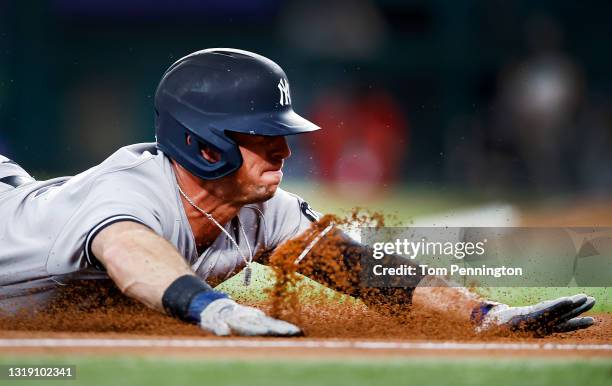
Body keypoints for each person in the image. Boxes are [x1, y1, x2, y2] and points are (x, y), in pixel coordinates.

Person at [0, 48, 595, 336]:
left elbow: (368, 273)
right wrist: (211, 306)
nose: (284, 151)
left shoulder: (264, 210)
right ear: (202, 144)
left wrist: (488, 314)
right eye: (264, 137)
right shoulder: (133, 192)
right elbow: (132, 256)